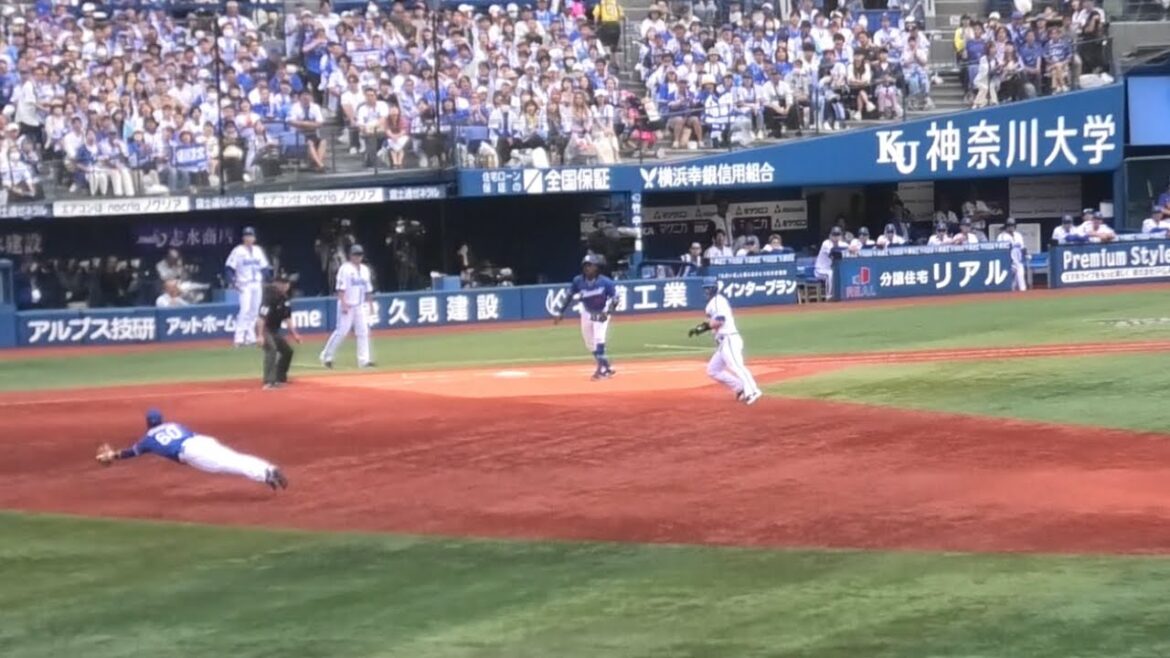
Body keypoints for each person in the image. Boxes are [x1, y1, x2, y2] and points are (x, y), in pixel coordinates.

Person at [94, 409, 288, 491]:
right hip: (201, 440)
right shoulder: (175, 425)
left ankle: (266, 474)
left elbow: (129, 452)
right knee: (234, 458)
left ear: (147, 423)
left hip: (192, 453)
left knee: (229, 465)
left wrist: (112, 455)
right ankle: (267, 470)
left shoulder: (148, 440)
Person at [687, 277, 761, 405]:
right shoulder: (712, 303)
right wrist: (699, 328)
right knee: (713, 370)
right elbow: (712, 322)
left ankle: (753, 390)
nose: (706, 291)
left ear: (714, 288)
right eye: (705, 289)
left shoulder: (717, 301)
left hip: (729, 339)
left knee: (737, 366)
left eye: (708, 288)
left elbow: (720, 320)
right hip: (723, 343)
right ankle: (740, 388)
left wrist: (702, 329)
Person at [554, 254, 617, 381]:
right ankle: (606, 365)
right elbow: (569, 296)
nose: (587, 268)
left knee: (599, 338)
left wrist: (608, 312)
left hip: (601, 312)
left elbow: (615, 299)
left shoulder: (606, 282)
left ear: (597, 267)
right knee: (589, 343)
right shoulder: (578, 281)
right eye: (585, 266)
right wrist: (560, 312)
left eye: (590, 266)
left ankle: (602, 370)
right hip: (587, 313)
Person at [319, 244, 374, 369]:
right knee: (341, 332)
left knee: (363, 332)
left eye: (360, 255)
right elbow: (340, 288)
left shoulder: (365, 270)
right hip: (347, 304)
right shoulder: (345, 269)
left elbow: (368, 289)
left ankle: (364, 361)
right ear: (350, 255)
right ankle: (326, 356)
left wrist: (370, 305)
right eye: (355, 254)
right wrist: (343, 304)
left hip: (360, 305)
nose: (358, 257)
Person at [225, 227, 271, 348]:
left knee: (254, 311)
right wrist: (233, 282)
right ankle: (238, 338)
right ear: (243, 238)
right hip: (244, 284)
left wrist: (265, 279)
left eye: (251, 235)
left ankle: (250, 337)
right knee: (244, 310)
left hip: (257, 284)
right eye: (247, 235)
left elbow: (265, 268)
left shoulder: (258, 250)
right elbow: (229, 268)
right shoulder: (238, 251)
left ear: (254, 238)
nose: (249, 238)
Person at [257, 275, 302, 390]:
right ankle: (268, 382)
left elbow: (287, 318)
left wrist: (295, 334)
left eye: (287, 283)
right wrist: (260, 335)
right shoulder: (269, 297)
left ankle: (280, 378)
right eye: (284, 283)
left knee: (287, 351)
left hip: (273, 330)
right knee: (271, 349)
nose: (287, 285)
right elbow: (261, 317)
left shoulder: (285, 298)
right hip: (265, 328)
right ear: (277, 284)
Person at [815, 226, 847, 298]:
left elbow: (850, 248)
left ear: (841, 236)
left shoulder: (842, 244)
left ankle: (843, 294)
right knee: (830, 274)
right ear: (830, 236)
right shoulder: (826, 243)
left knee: (836, 272)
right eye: (834, 235)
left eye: (838, 235)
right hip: (820, 270)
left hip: (831, 269)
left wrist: (851, 248)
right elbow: (833, 252)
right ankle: (829, 296)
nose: (836, 237)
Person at [997, 217, 1027, 292]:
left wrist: (1025, 256)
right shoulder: (1001, 236)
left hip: (1018, 262)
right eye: (1009, 225)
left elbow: (1023, 248)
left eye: (1012, 225)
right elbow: (999, 251)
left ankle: (1024, 296)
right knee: (1011, 285)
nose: (1011, 227)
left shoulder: (1018, 235)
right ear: (1006, 226)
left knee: (1021, 281)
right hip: (1008, 263)